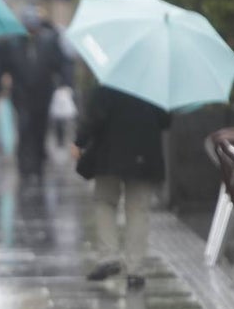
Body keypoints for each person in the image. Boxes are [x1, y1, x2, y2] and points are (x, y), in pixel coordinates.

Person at [71, 84, 170, 288]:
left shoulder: (110, 78)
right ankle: (135, 270)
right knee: (138, 210)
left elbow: (95, 116)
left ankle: (108, 256)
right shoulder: (155, 82)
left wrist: (79, 140)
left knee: (105, 202)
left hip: (110, 152)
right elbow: (165, 120)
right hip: (144, 153)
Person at [0, 8, 73, 181]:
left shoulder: (49, 41)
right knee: (23, 129)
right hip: (21, 94)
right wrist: (1, 84)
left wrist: (66, 85)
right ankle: (24, 166)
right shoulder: (13, 43)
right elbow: (1, 65)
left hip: (43, 94)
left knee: (40, 130)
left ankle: (38, 166)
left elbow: (62, 63)